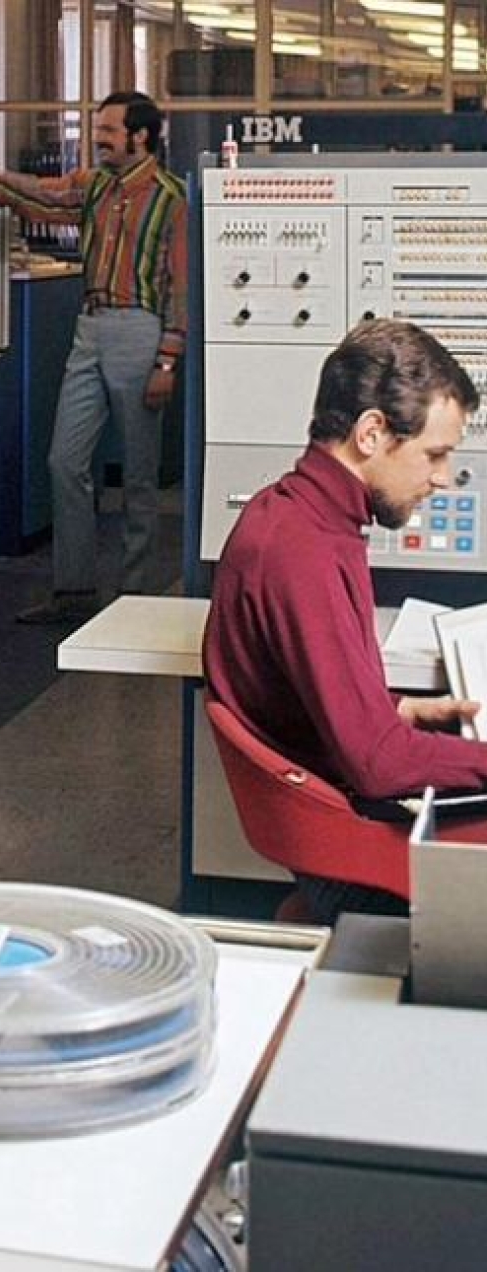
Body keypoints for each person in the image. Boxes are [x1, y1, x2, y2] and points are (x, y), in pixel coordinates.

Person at [203, 319, 487, 921]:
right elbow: (379, 766)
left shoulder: (298, 515)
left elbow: (314, 696)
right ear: (371, 433)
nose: (441, 477)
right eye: (433, 454)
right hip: (349, 852)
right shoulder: (301, 551)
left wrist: (400, 709)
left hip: (332, 818)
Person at [0, 91, 187, 624]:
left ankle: (136, 602)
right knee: (65, 460)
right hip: (91, 326)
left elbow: (181, 289)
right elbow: (37, 193)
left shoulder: (171, 198)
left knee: (138, 475)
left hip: (141, 332)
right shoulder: (95, 185)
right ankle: (74, 592)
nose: (98, 138)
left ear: (141, 137)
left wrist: (168, 361)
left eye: (109, 130)